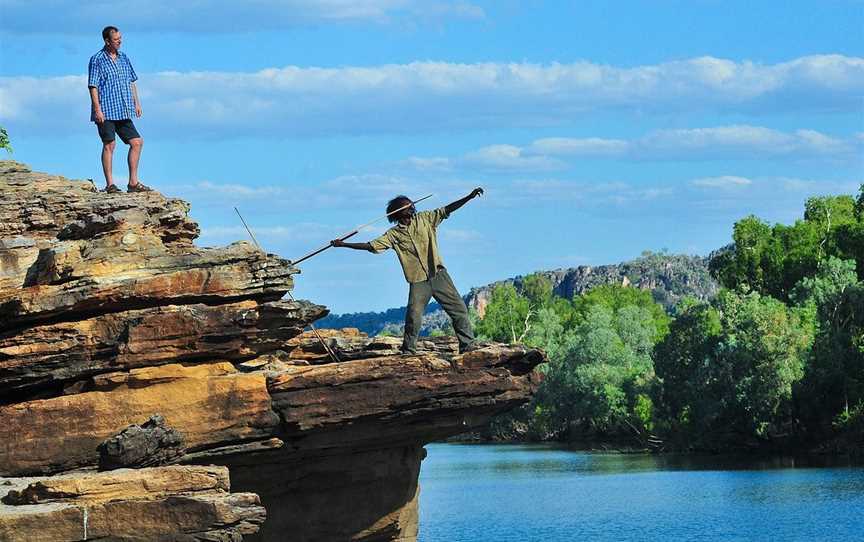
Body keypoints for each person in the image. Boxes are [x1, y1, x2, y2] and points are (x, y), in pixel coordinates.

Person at [331, 188, 484, 354]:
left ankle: (467, 346)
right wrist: (344, 244)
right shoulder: (393, 235)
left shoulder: (426, 219)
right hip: (418, 280)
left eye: (411, 204)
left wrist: (469, 197)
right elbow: (371, 246)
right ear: (398, 212)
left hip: (438, 274)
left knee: (459, 309)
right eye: (407, 205)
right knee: (413, 315)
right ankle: (408, 350)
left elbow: (447, 209)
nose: (412, 206)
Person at [88, 26, 152, 193]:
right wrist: (97, 109)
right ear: (107, 41)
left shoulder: (124, 58)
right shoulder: (97, 59)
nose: (120, 41)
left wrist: (137, 103)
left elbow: (131, 81)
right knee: (110, 144)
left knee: (137, 142)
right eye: (116, 39)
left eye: (120, 38)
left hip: (123, 109)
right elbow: (93, 85)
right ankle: (110, 185)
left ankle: (133, 183)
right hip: (106, 110)